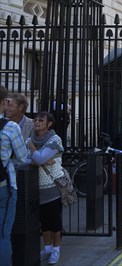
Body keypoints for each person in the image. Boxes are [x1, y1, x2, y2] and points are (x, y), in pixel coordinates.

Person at [25, 112, 64, 265]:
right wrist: (39, 160)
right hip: (36, 188)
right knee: (44, 222)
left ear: (49, 124)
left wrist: (33, 149)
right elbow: (24, 159)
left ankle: (56, 250)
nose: (36, 122)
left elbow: (37, 158)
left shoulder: (54, 139)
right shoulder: (31, 137)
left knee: (54, 223)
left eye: (41, 120)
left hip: (52, 188)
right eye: (35, 120)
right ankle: (47, 248)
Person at [0, 85, 27, 266]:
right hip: (4, 187)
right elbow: (23, 156)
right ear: (2, 102)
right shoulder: (10, 127)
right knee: (3, 236)